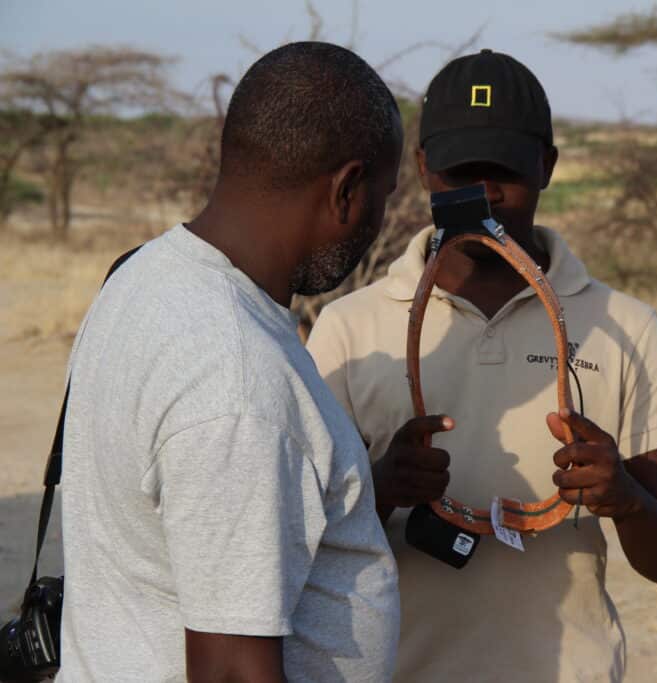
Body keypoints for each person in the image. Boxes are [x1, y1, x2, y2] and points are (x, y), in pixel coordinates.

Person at [306, 49, 657, 682]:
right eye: (463, 171)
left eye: (506, 172)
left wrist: (624, 498)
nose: (484, 194)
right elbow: (298, 546)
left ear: (547, 167)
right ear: (424, 169)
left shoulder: (626, 328)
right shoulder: (349, 328)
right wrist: (379, 489)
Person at [58, 42, 406, 682]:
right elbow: (228, 672)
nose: (380, 216)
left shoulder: (143, 276)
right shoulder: (238, 377)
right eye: (382, 194)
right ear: (347, 189)